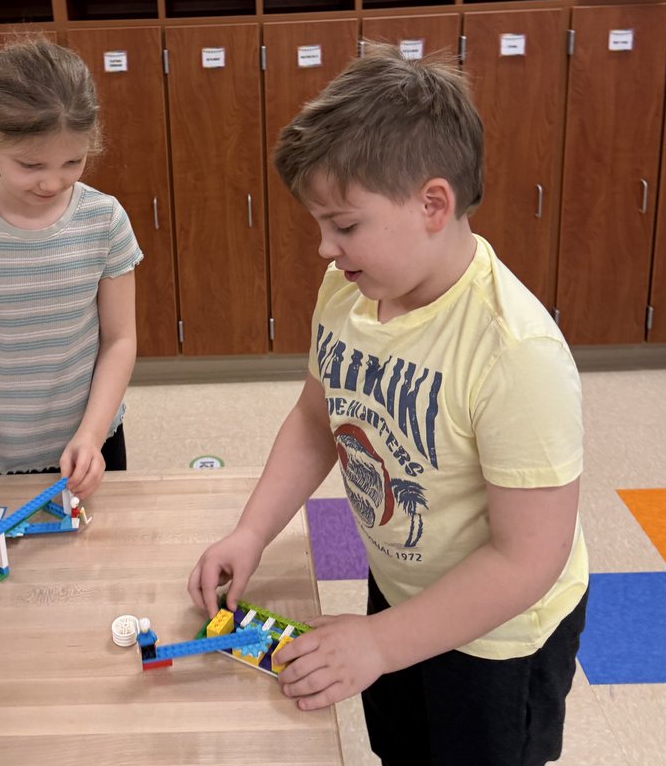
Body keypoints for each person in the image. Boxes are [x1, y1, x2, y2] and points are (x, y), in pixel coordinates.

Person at [188, 42, 588, 766]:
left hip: (498, 635)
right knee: (402, 748)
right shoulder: (352, 289)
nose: (324, 248)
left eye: (344, 224)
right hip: (401, 588)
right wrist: (252, 533)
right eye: (319, 226)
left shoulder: (514, 351)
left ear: (433, 203)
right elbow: (318, 420)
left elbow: (529, 557)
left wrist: (379, 642)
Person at [0, 36, 142, 538]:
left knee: (95, 567)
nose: (52, 183)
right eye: (31, 165)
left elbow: (120, 339)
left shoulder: (106, 220)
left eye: (72, 163)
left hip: (93, 439)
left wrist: (93, 433)